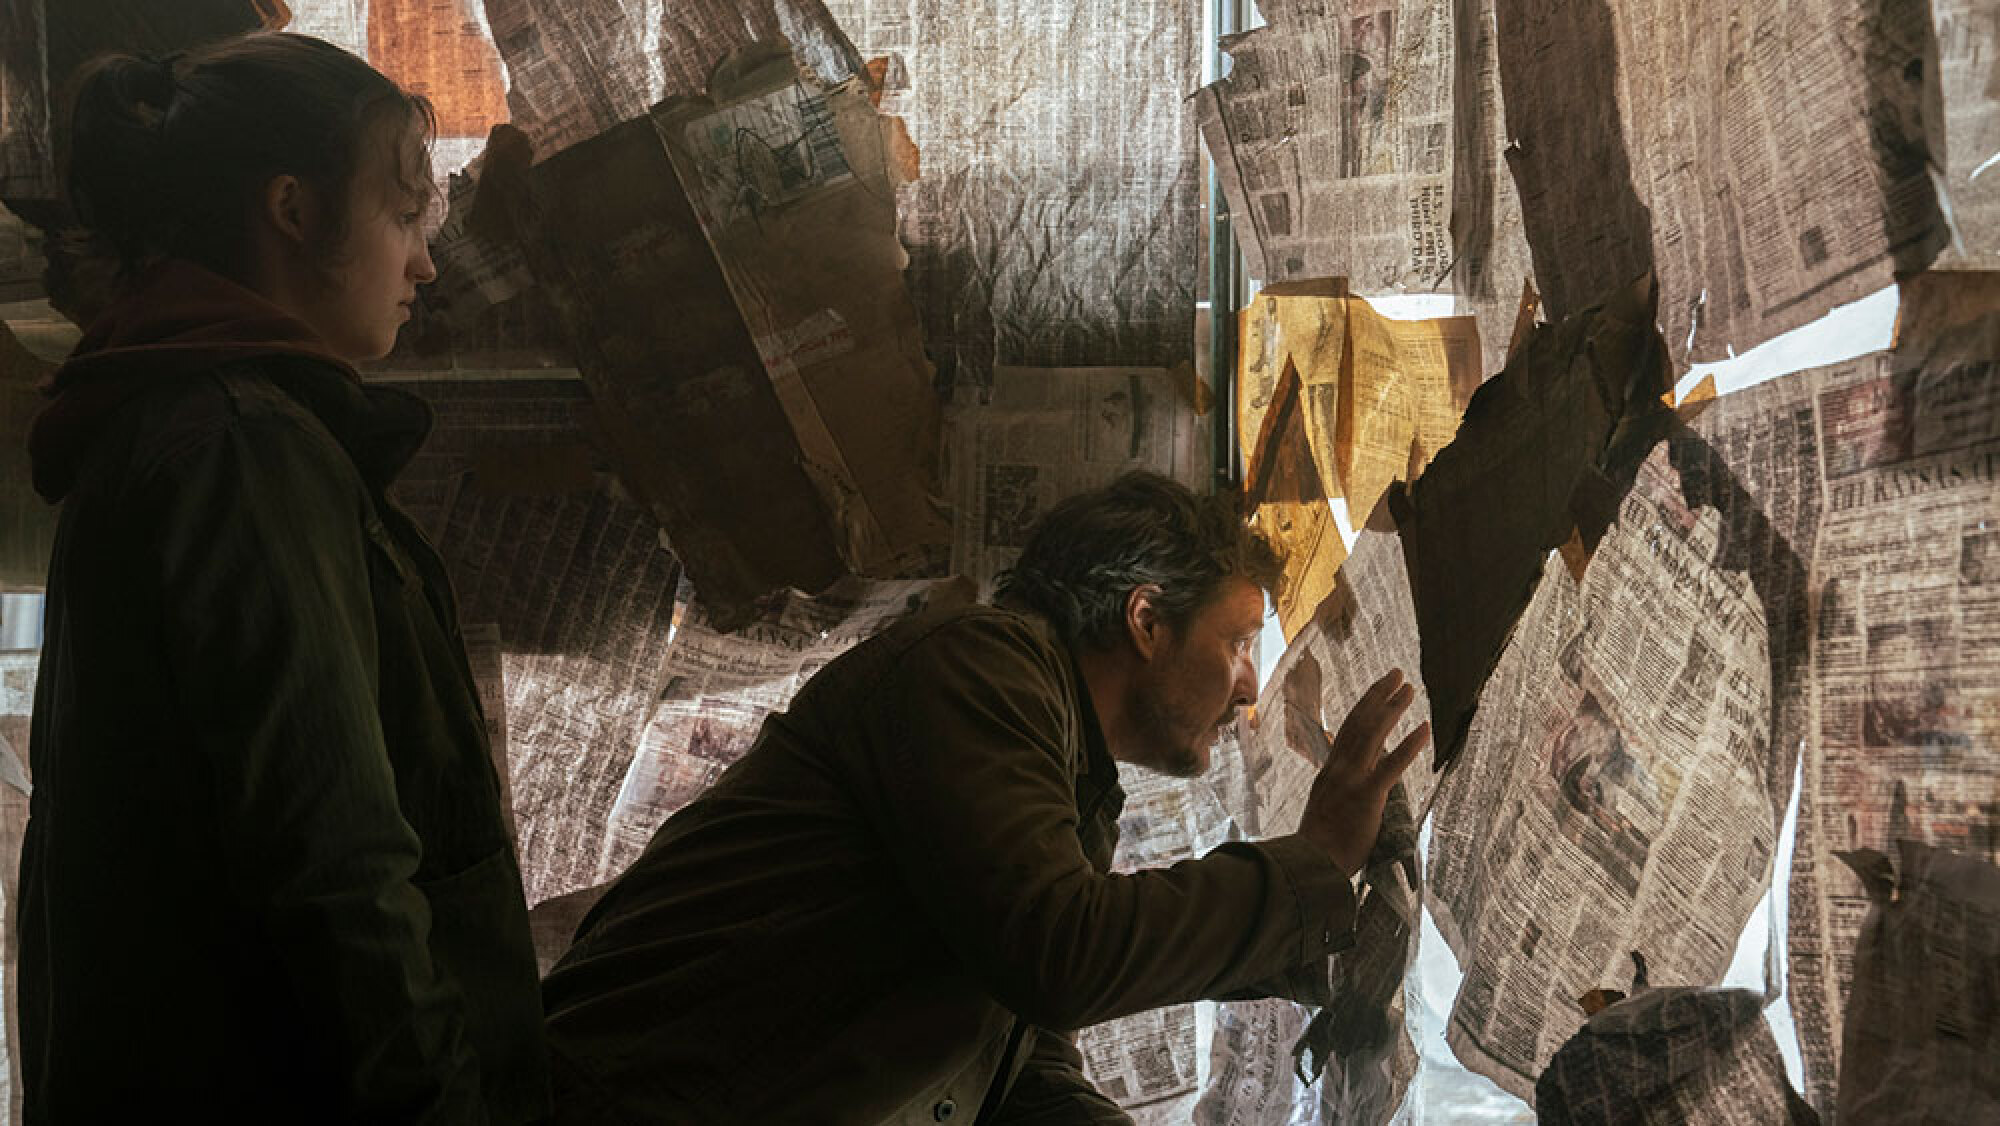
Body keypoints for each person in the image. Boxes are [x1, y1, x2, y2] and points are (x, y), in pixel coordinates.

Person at [543, 471, 1429, 1124]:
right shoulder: (980, 669)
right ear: (1146, 620)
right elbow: (1059, 952)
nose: (1248, 687)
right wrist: (1307, 868)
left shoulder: (1066, 764)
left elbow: (1012, 1063)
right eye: (1238, 642)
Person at [21, 33, 547, 1122]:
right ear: (294, 212)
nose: (426, 265)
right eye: (404, 217)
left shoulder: (178, 421)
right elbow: (335, 861)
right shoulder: (238, 449)